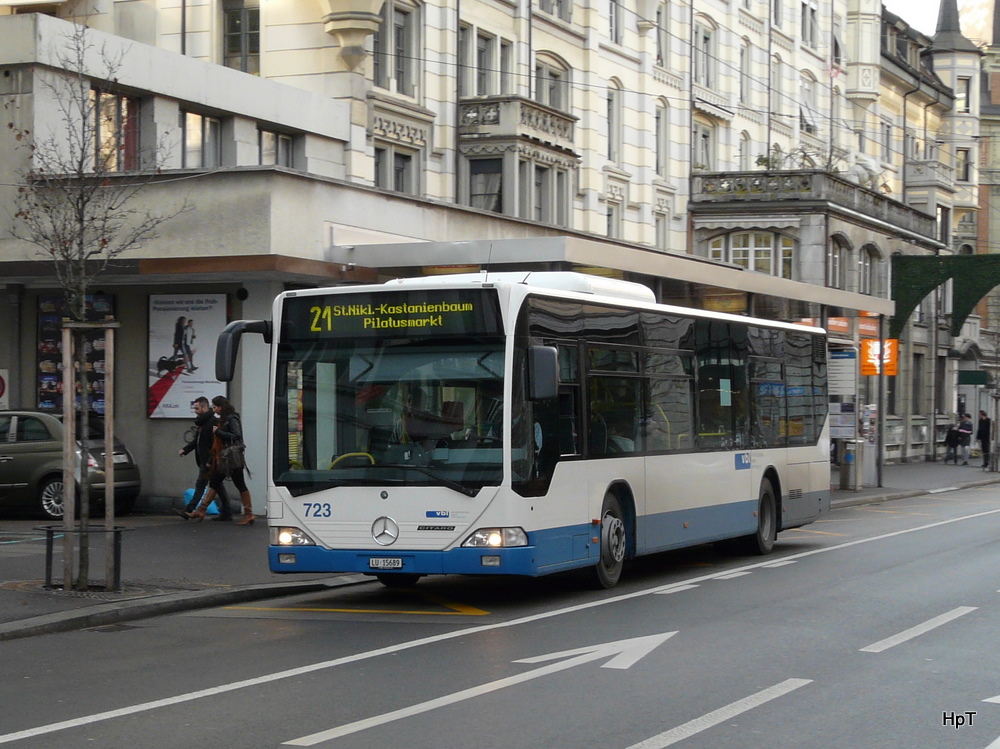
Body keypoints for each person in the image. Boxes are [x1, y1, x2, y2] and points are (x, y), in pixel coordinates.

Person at [195, 395, 255, 525]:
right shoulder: (226, 418)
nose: (214, 410)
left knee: (220, 482)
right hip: (227, 457)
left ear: (221, 407)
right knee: (222, 482)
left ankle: (202, 510)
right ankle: (248, 514)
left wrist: (219, 432)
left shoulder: (231, 418)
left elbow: (236, 435)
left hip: (230, 457)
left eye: (215, 407)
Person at [174, 396, 232, 521]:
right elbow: (197, 441)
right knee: (217, 485)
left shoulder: (212, 423)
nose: (195, 410)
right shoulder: (203, 423)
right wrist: (185, 450)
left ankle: (189, 509)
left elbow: (215, 444)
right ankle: (227, 512)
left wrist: (210, 461)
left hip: (208, 461)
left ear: (205, 407)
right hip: (204, 460)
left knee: (201, 484)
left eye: (197, 408)